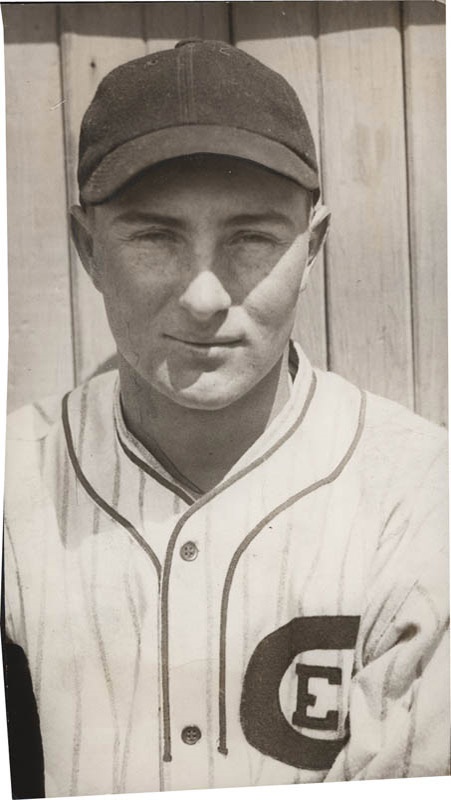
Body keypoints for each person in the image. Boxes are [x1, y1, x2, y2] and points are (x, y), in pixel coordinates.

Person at [2, 39, 449, 798]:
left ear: (311, 248)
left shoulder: (420, 495)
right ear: (87, 249)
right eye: (154, 236)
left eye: (250, 239)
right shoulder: (15, 481)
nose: (204, 297)